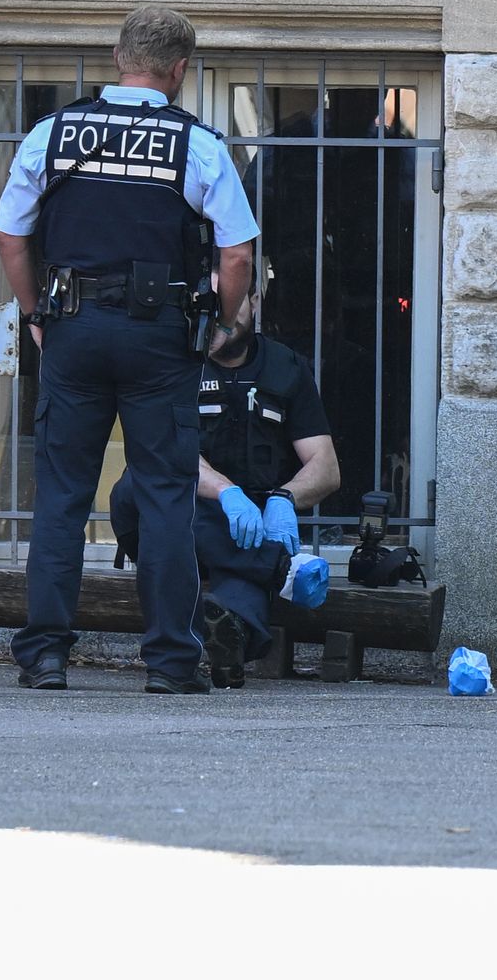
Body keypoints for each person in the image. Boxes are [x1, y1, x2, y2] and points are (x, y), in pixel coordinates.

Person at [0, 7, 260, 694]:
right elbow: (236, 255)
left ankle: (45, 653)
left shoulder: (53, 134)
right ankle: (171, 661)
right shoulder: (196, 145)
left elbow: (11, 236)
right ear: (179, 70)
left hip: (73, 325)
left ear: (118, 57)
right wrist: (225, 325)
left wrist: (35, 314)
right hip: (161, 337)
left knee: (61, 497)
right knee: (166, 496)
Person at [109, 295, 344, 689]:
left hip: (251, 523)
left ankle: (226, 635)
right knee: (136, 487)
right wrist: (226, 492)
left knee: (238, 590)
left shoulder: (285, 367)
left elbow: (326, 467)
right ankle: (280, 569)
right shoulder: (173, 361)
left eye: (232, 301)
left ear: (255, 300)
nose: (219, 315)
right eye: (210, 302)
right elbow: (166, 455)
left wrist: (283, 499)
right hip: (176, 515)